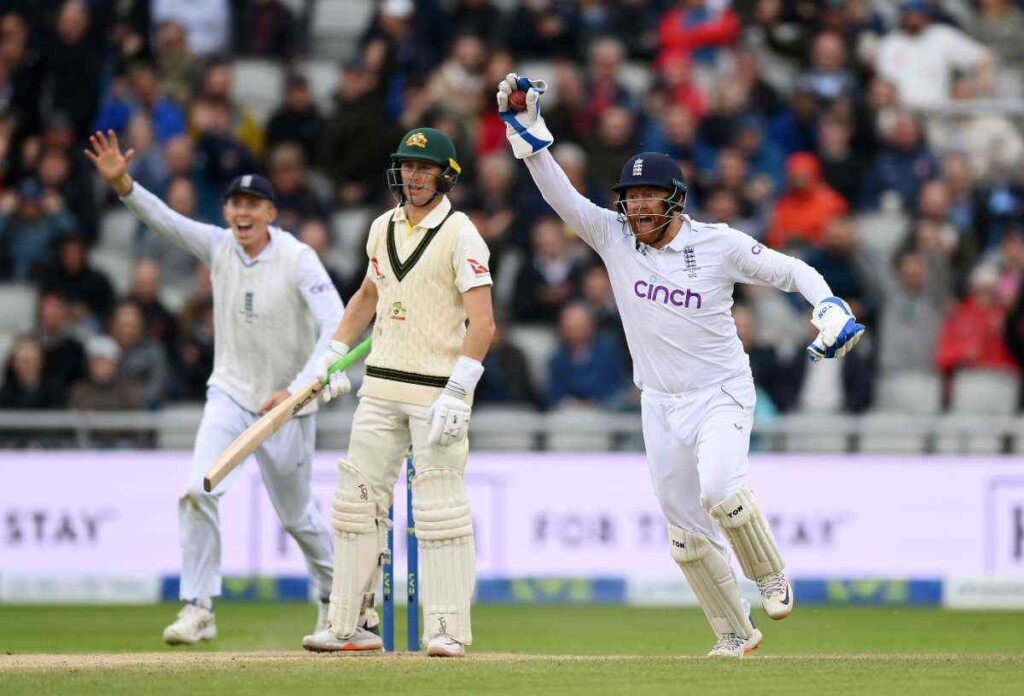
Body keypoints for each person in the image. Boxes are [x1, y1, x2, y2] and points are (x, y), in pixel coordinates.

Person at [497, 73, 864, 658]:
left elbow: (790, 270)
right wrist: (528, 129)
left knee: (724, 490)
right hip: (659, 403)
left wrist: (827, 305)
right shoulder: (613, 236)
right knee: (686, 536)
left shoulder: (717, 243)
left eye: (649, 197)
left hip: (720, 390)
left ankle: (768, 573)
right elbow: (559, 195)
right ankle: (734, 633)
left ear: (675, 199)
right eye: (631, 197)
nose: (638, 206)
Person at [84, 130, 343, 646]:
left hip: (287, 405)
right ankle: (198, 607)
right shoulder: (219, 245)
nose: (241, 212)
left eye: (252, 204)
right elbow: (167, 222)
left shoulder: (298, 258)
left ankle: (337, 599)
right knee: (196, 489)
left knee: (297, 519)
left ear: (271, 212)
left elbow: (336, 326)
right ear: (226, 211)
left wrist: (295, 392)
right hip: (229, 393)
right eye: (233, 203)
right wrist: (124, 185)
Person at [302, 127, 495, 658]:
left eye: (424, 168)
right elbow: (367, 295)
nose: (413, 177)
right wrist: (332, 351)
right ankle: (349, 625)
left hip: (436, 393)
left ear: (445, 175)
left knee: (439, 512)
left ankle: (447, 630)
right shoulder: (381, 226)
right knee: (355, 505)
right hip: (380, 387)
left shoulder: (462, 234)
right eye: (408, 168)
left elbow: (483, 325)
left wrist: (459, 391)